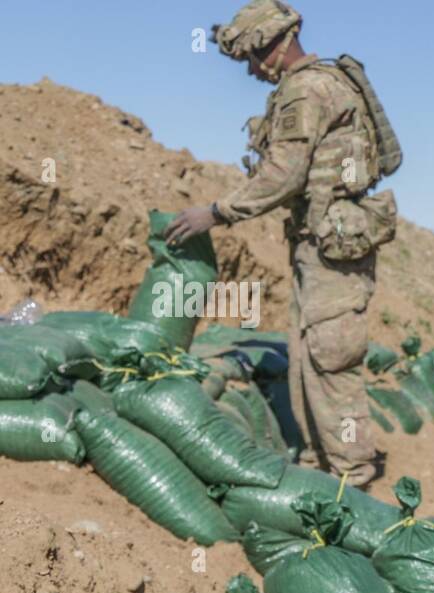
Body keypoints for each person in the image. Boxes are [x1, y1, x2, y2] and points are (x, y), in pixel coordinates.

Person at [165, 0, 396, 488]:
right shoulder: (320, 83)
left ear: (278, 44)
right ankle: (321, 467)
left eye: (252, 57)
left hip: (332, 249)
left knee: (331, 356)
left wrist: (215, 212)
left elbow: (283, 174)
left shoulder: (308, 89)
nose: (250, 70)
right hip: (323, 244)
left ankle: (352, 475)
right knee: (308, 353)